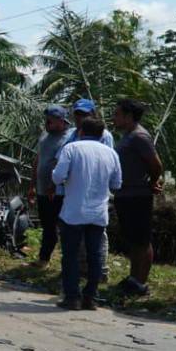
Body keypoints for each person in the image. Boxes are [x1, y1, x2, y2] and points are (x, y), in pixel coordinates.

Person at [52, 117, 122, 310]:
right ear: (102, 134)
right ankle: (90, 297)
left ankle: (72, 297)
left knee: (71, 255)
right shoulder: (111, 153)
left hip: (73, 212)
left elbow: (58, 176)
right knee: (95, 255)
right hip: (99, 213)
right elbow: (117, 184)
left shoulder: (72, 149)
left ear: (81, 131)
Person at [112, 99, 164, 296]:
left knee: (142, 240)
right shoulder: (127, 136)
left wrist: (152, 181)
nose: (114, 118)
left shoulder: (140, 136)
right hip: (125, 194)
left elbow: (156, 164)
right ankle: (133, 278)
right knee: (133, 240)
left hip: (138, 195)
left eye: (117, 114)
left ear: (128, 116)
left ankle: (141, 284)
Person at [31, 105, 71, 268]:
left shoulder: (69, 137)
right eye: (46, 120)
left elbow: (60, 163)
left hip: (59, 191)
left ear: (61, 121)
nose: (47, 123)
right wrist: (32, 185)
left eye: (51, 121)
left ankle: (66, 262)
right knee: (47, 225)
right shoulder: (45, 135)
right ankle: (43, 259)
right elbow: (38, 159)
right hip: (42, 189)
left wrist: (53, 185)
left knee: (63, 227)